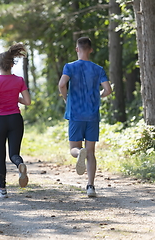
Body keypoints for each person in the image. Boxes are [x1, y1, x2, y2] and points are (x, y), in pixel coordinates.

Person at [58, 37, 112, 197]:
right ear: (91, 49)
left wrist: (66, 97)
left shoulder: (70, 67)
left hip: (75, 113)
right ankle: (90, 187)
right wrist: (99, 96)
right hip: (92, 114)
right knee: (91, 152)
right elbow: (108, 90)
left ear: (77, 49)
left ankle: (78, 152)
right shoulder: (98, 69)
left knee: (74, 149)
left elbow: (62, 84)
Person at [0, 43, 31, 198]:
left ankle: (3, 189)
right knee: (13, 153)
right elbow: (27, 101)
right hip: (15, 119)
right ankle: (20, 164)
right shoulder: (19, 80)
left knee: (0, 155)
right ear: (12, 64)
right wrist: (15, 97)